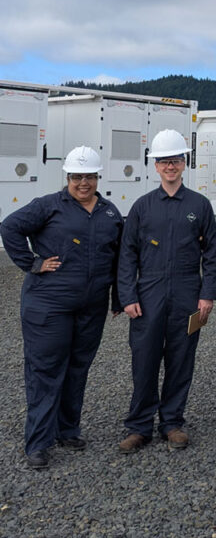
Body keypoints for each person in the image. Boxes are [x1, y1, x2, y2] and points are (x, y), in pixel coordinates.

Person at [1, 146, 123, 469]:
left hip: (90, 308)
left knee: (77, 367)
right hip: (48, 307)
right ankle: (38, 443)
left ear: (98, 177)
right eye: (77, 176)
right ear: (67, 177)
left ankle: (67, 429)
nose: (83, 182)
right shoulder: (48, 206)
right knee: (45, 371)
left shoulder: (110, 213)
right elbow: (9, 227)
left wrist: (118, 298)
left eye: (90, 176)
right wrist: (33, 263)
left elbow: (119, 258)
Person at [117, 129, 216, 453]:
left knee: (181, 359)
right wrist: (128, 296)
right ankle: (139, 426)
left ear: (184, 163)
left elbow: (213, 255)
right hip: (148, 293)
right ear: (155, 166)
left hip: (189, 293)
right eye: (164, 161)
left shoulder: (199, 205)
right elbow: (127, 254)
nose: (170, 166)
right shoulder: (142, 206)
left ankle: (172, 422)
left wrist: (208, 294)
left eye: (175, 160)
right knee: (144, 359)